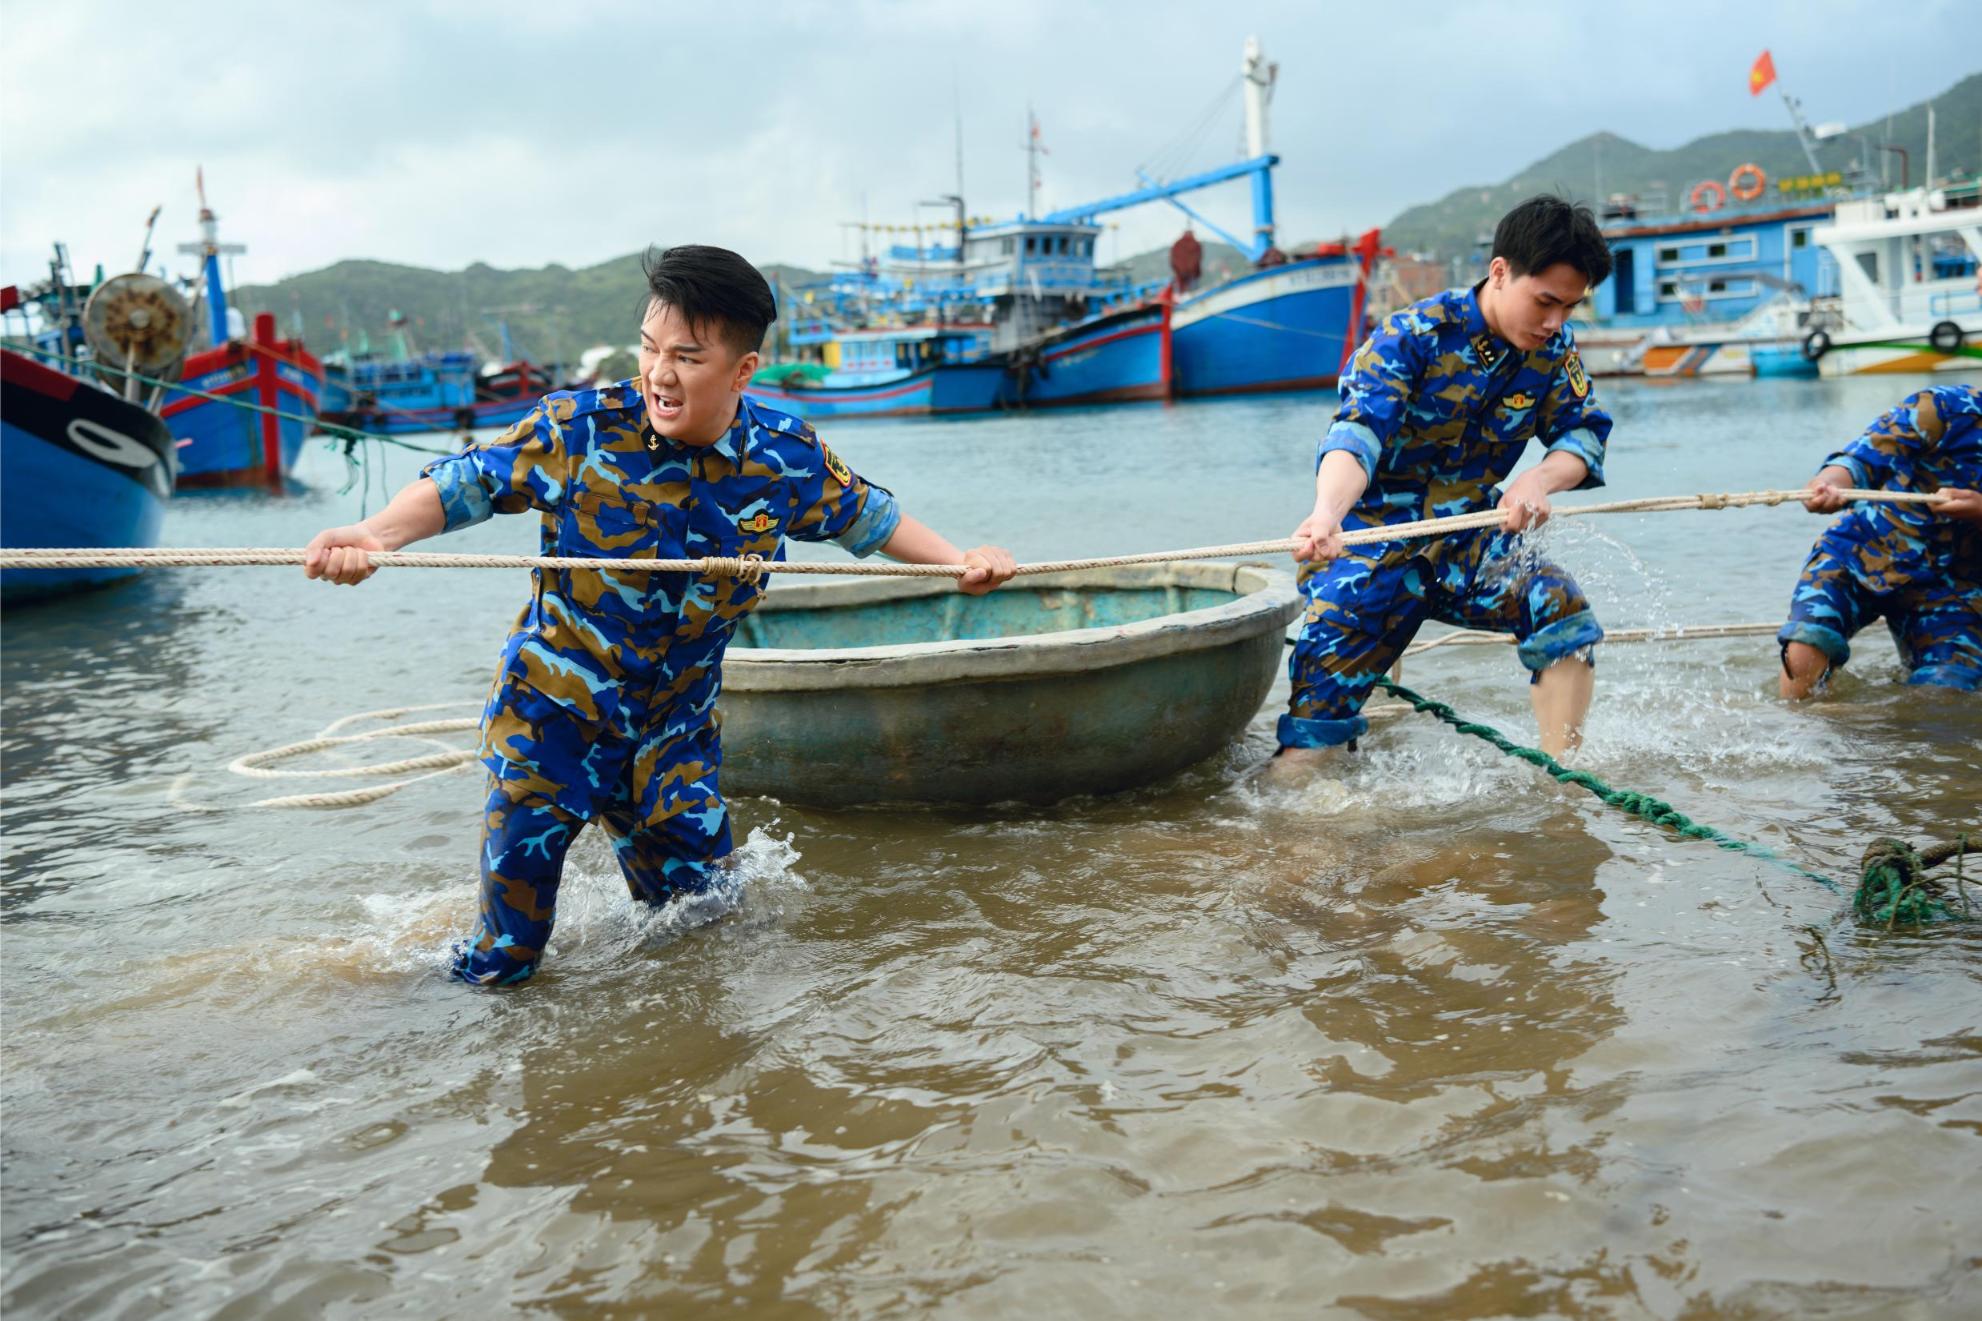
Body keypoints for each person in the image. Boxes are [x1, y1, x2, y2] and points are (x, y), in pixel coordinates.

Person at [304, 245, 1017, 985]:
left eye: (686, 356)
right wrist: (375, 535)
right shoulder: (582, 428)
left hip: (673, 740)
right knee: (505, 962)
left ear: (742, 371)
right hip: (555, 720)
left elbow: (870, 518)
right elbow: (465, 486)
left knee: (709, 929)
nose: (659, 374)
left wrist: (960, 561)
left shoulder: (783, 459)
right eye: (649, 349)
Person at [1273, 195, 1614, 774]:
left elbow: (1583, 434)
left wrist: (1537, 478)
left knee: (1560, 607)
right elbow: (1357, 435)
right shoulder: (1413, 336)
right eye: (1546, 302)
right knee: (1309, 748)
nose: (1556, 321)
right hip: (1367, 540)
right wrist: (1326, 514)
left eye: (1570, 307)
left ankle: (1565, 786)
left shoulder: (1553, 350)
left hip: (1469, 541)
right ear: (1501, 271)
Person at [1777, 384, 1982, 697]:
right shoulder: (1943, 407)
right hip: (1859, 552)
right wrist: (1826, 487)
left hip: (1954, 589)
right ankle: (1791, 733)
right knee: (1808, 643)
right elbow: (1860, 460)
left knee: (1946, 692)